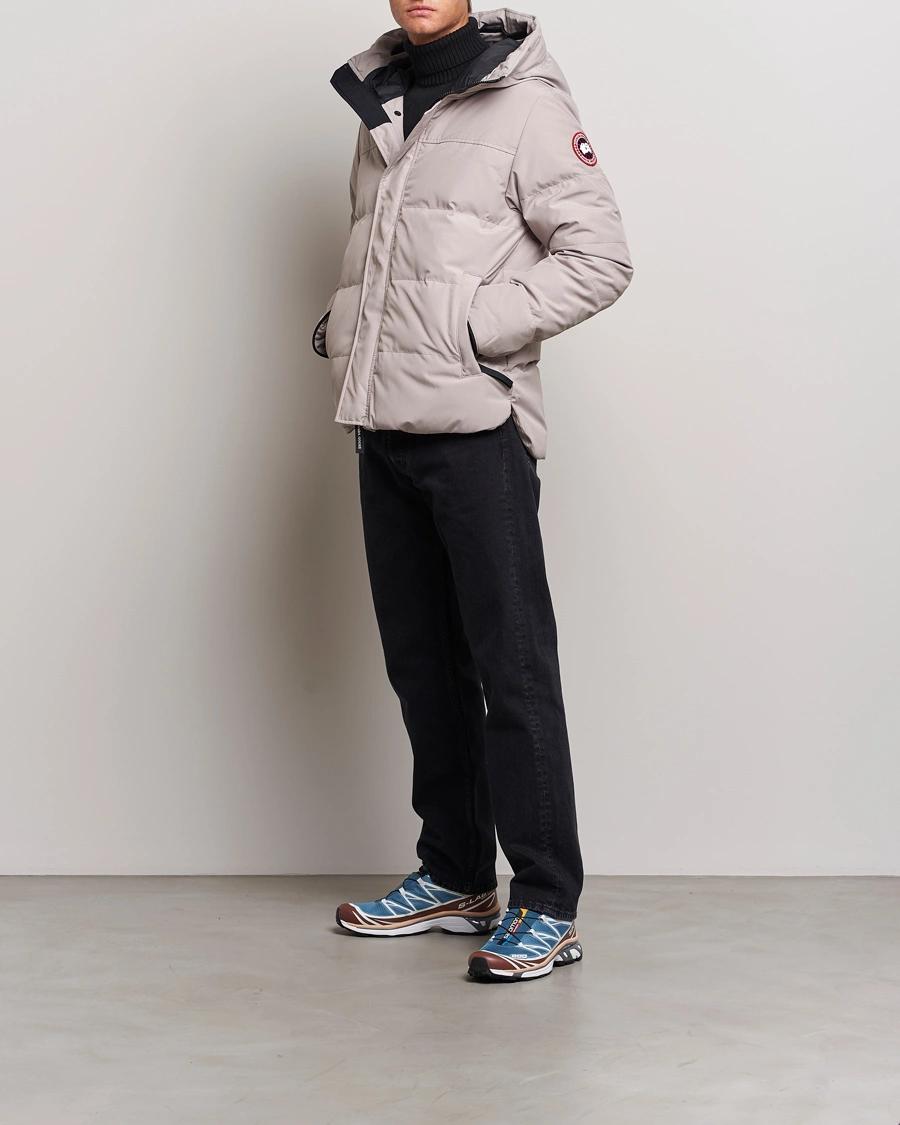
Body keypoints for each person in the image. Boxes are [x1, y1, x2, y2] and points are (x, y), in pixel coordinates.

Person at [312, 2, 632, 982]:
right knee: (424, 666)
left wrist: (469, 330)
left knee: (512, 668)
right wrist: (346, 327)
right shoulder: (382, 97)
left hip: (478, 433)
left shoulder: (526, 103)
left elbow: (601, 258)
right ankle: (455, 874)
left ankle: (547, 901)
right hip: (381, 426)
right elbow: (386, 252)